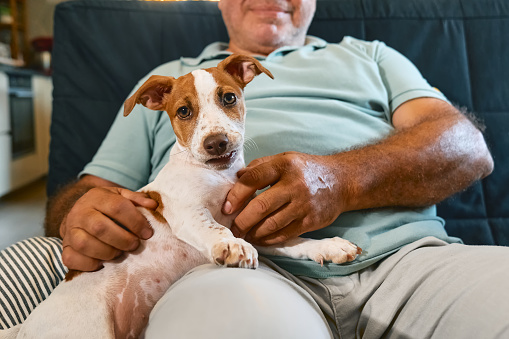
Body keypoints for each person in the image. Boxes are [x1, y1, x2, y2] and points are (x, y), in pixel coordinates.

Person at [2, 0, 508, 338]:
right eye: (190, 112)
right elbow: (85, 196)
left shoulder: (372, 57)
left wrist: (343, 180)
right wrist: (77, 215)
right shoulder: (168, 84)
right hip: (236, 277)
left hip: (410, 265)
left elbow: (470, 149)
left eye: (227, 100)